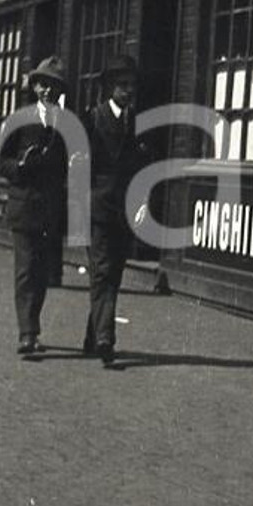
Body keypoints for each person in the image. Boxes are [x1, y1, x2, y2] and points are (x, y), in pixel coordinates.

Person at [0, 57, 70, 356]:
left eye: (53, 85)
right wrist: (20, 166)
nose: (47, 91)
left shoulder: (65, 123)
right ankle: (27, 333)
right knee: (26, 270)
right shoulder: (20, 119)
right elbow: (1, 161)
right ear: (34, 86)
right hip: (24, 205)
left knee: (42, 273)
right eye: (43, 84)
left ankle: (33, 325)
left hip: (50, 209)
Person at [82, 53, 149, 367]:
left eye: (131, 85)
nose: (128, 91)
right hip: (97, 205)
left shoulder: (137, 122)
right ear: (110, 87)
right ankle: (106, 338)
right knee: (103, 272)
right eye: (122, 85)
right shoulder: (93, 119)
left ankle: (91, 336)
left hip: (125, 208)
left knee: (112, 273)